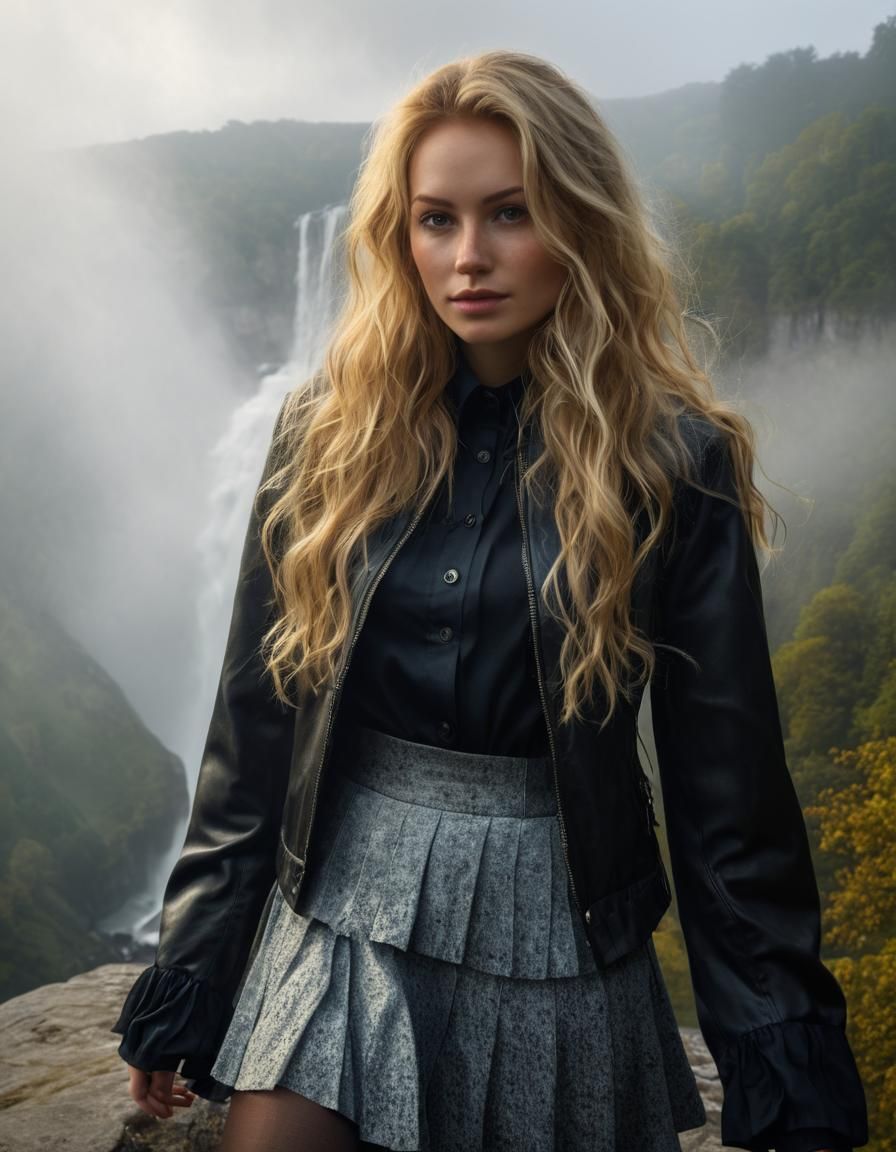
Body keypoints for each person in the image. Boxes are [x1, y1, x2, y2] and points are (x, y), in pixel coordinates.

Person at [111, 50, 869, 1152]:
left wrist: (779, 1054)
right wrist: (190, 974)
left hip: (556, 911)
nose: (466, 258)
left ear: (579, 221)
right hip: (344, 897)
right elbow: (255, 721)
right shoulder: (324, 431)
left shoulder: (673, 462)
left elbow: (727, 794)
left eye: (508, 214)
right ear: (398, 234)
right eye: (434, 220)